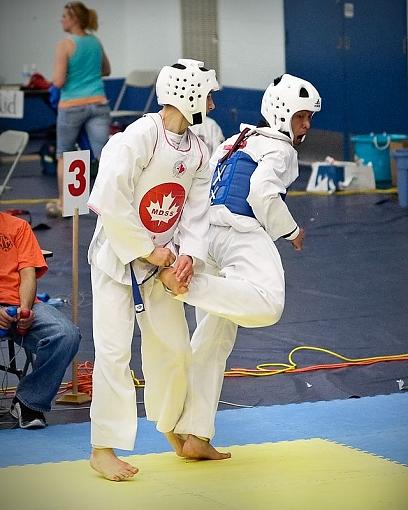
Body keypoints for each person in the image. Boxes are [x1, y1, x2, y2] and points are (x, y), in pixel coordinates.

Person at [159, 73, 321, 457]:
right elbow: (261, 192)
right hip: (238, 230)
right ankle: (183, 285)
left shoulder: (236, 139)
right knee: (268, 303)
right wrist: (291, 229)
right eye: (301, 117)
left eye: (309, 118)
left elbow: (202, 187)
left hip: (205, 234)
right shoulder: (280, 149)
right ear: (282, 113)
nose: (307, 126)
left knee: (213, 338)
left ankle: (195, 434)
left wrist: (187, 245)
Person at [87, 59, 219, 481]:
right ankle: (102, 448)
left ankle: (172, 427)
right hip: (118, 258)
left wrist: (186, 256)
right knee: (113, 351)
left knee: (176, 350)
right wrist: (151, 253)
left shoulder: (198, 149)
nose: (213, 103)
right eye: (208, 95)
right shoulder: (139, 137)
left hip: (162, 259)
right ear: (188, 95)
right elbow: (111, 201)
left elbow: (196, 214)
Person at [0, 211, 81, 428]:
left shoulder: (18, 227)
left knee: (66, 334)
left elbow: (28, 273)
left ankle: (29, 402)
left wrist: (25, 311)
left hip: (21, 303)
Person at [46, 1, 111, 218]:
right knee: (106, 156)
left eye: (65, 16)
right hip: (98, 103)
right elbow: (106, 70)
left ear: (74, 18)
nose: (61, 19)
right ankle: (112, 202)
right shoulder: (95, 41)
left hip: (71, 106)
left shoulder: (64, 45)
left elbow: (58, 81)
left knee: (63, 154)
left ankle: (64, 204)